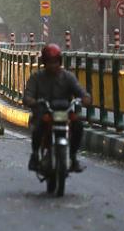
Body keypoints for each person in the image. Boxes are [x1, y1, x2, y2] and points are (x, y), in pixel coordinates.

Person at [23, 43, 91, 173]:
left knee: (78, 126)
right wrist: (33, 101)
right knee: (37, 128)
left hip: (64, 113)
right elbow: (28, 96)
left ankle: (72, 156)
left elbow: (80, 92)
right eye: (49, 62)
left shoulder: (68, 77)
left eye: (55, 62)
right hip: (45, 113)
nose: (52, 65)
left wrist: (85, 98)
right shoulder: (36, 78)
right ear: (44, 62)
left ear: (59, 62)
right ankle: (35, 155)